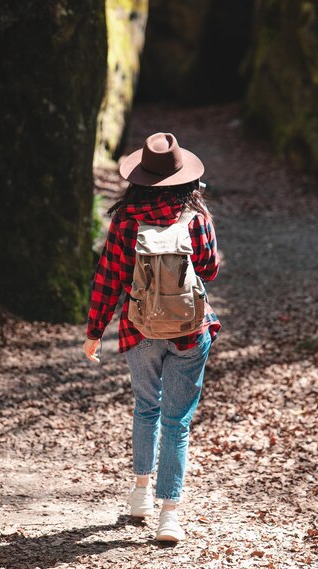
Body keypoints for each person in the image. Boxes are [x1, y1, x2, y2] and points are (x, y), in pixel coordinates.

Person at [83, 132, 220, 542]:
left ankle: (140, 495)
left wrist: (94, 332)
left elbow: (108, 279)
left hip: (138, 329)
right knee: (176, 422)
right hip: (189, 331)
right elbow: (209, 271)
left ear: (139, 177)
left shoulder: (126, 221)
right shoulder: (197, 219)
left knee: (146, 407)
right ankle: (169, 516)